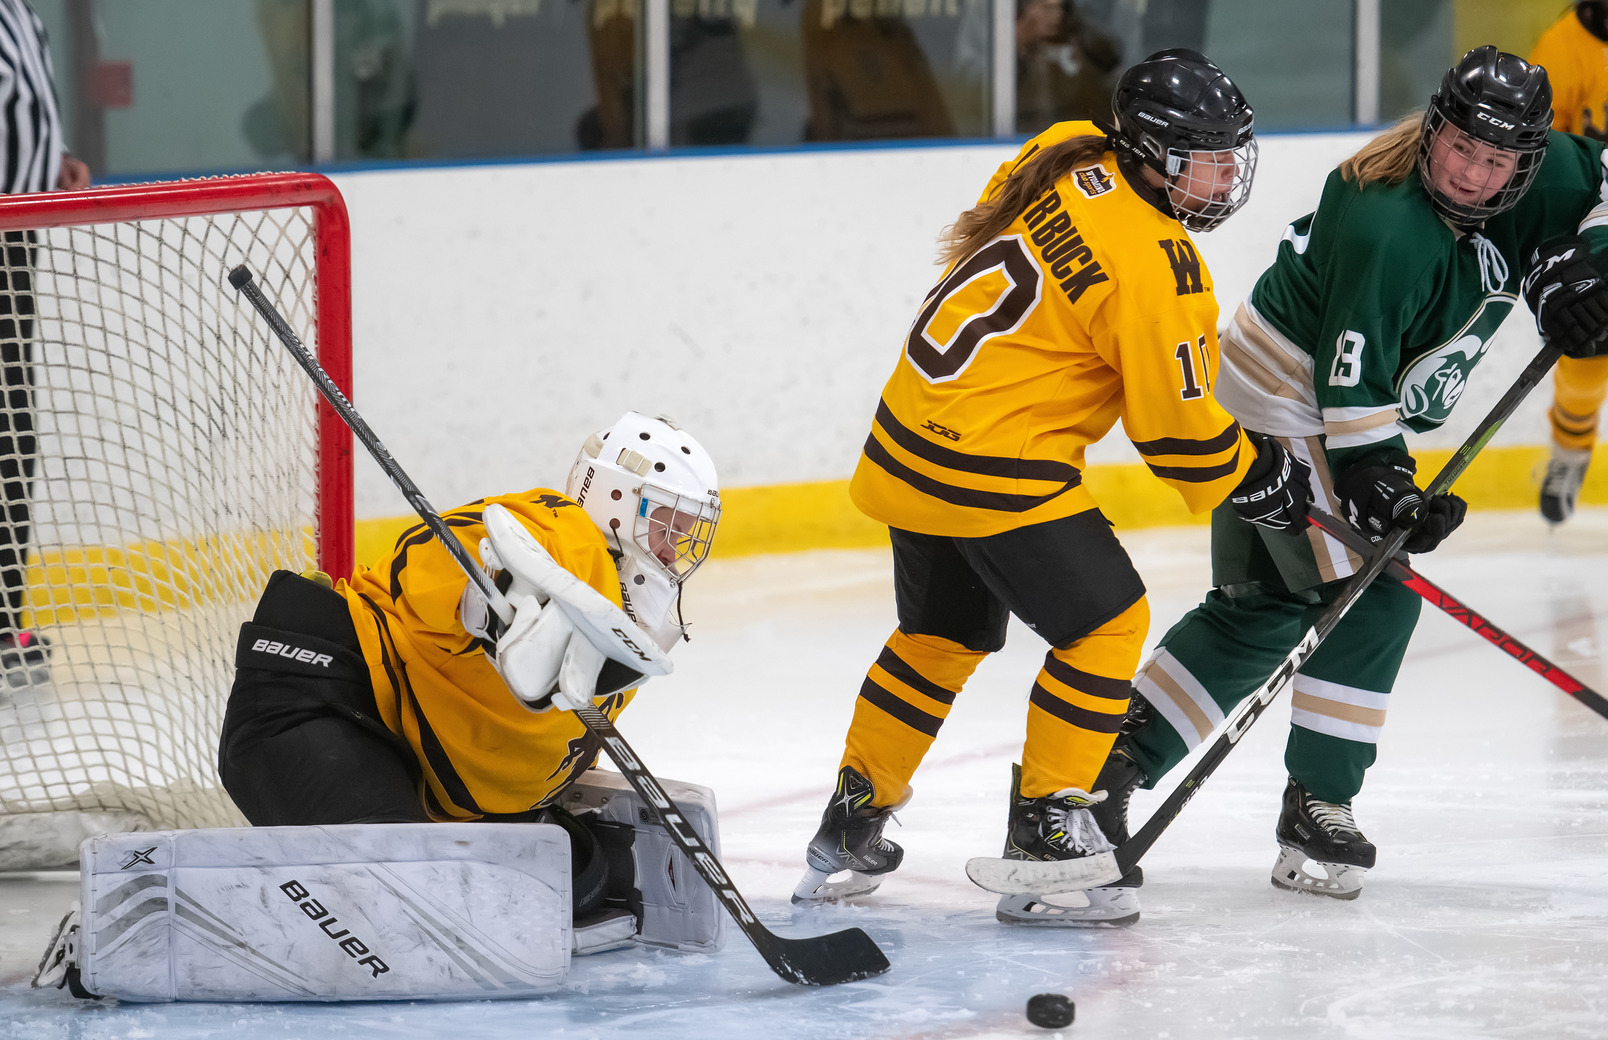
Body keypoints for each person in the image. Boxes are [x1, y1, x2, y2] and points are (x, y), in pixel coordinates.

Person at [1081, 47, 1608, 913]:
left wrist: (1588, 257)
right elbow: (1349, 379)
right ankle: (1317, 804)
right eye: (1461, 151)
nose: (1473, 176)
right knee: (1375, 594)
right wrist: (1384, 480)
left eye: (1496, 162)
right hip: (1290, 404)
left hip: (1279, 392)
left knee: (1265, 605)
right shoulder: (1386, 223)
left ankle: (1109, 765)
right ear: (1435, 129)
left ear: (1526, 156)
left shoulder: (1540, 164)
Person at [793, 50, 1310, 927]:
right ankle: (1048, 832)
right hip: (988, 466)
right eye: (1205, 158)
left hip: (908, 440)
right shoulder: (1159, 263)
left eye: (1231, 156)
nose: (1225, 179)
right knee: (1109, 622)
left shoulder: (1071, 149)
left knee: (939, 637)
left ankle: (851, 817)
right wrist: (1255, 475)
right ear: (1150, 153)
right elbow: (1177, 436)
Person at [216, 411, 721, 931]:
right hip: (324, 704)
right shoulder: (561, 533)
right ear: (617, 501)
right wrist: (486, 600)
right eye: (666, 524)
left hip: (421, 775)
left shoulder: (621, 633)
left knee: (574, 883)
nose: (672, 549)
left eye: (684, 534)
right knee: (415, 905)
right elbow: (424, 555)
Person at [0, 0, 90, 689]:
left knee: (12, 427)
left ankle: (4, 618)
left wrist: (50, 156)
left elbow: (23, 96)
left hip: (16, 232)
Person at [1530, 1, 1608, 521]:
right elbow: (1545, 156)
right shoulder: (1562, 49)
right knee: (1587, 355)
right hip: (1597, 220)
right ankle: (1570, 448)